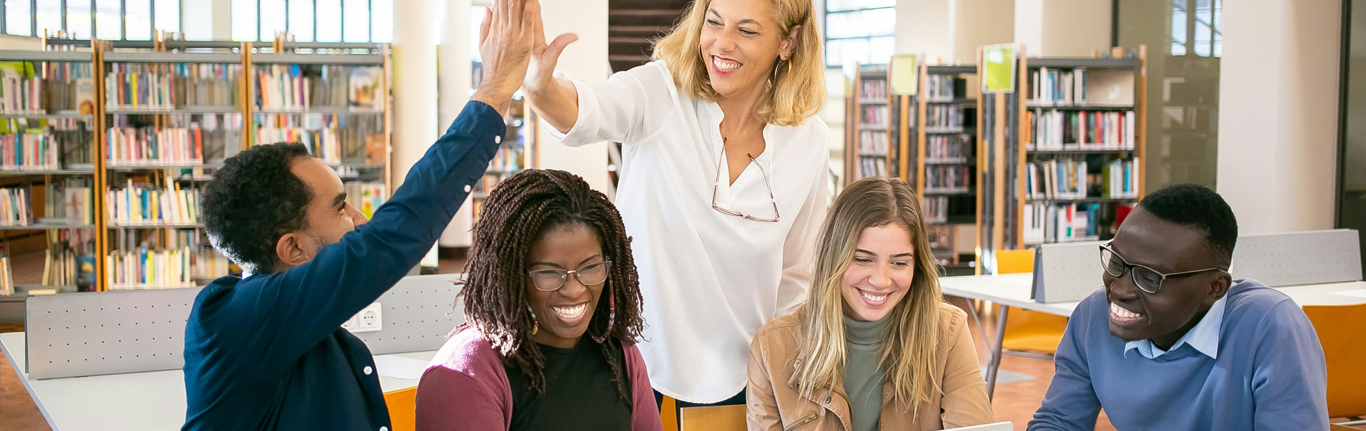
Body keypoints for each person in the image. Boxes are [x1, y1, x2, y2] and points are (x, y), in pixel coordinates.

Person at [179, 1, 539, 429]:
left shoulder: (307, 332)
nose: (360, 218)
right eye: (340, 208)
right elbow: (392, 233)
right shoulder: (236, 320)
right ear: (292, 248)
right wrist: (495, 90)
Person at [522, 0, 831, 411]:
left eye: (747, 31)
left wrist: (779, 366)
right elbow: (585, 110)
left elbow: (799, 272)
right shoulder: (661, 92)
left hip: (742, 376)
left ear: (788, 43)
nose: (722, 43)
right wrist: (541, 87)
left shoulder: (808, 141)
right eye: (714, 22)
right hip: (633, 363)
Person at [1028, 184, 1329, 430]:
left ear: (1214, 288)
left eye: (1150, 277)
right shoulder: (1092, 316)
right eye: (1117, 262)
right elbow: (1058, 423)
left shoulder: (1270, 327)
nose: (1120, 288)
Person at [414, 169, 662, 431]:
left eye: (590, 268)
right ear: (510, 275)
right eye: (549, 273)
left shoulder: (621, 356)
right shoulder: (466, 374)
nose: (574, 290)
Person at [747, 177, 995, 431]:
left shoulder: (948, 331)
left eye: (899, 263)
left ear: (917, 267)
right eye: (863, 259)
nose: (880, 280)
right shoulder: (772, 348)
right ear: (833, 258)